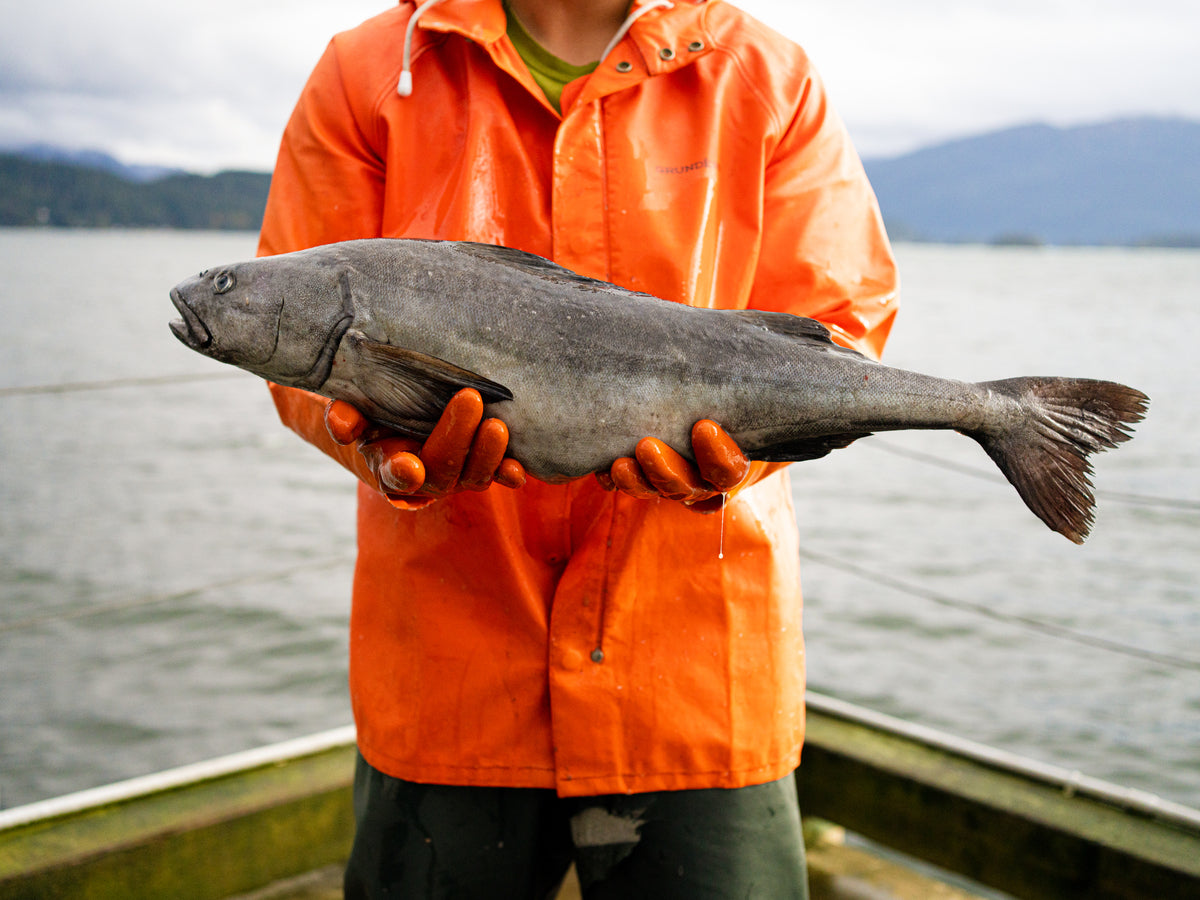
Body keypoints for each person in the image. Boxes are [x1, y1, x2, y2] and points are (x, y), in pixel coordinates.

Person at [258, 0, 898, 896]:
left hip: (699, 677)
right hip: (447, 678)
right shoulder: (371, 71)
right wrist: (370, 443)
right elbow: (295, 351)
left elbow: (838, 332)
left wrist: (738, 458)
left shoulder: (766, 74)